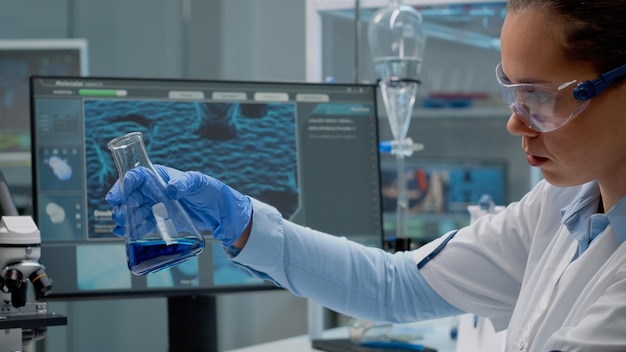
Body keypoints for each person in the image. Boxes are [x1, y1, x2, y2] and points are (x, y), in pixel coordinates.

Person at [106, 1, 626, 350]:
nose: (515, 120)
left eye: (540, 97)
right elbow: (394, 286)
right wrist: (237, 219)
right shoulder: (562, 206)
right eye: (511, 90)